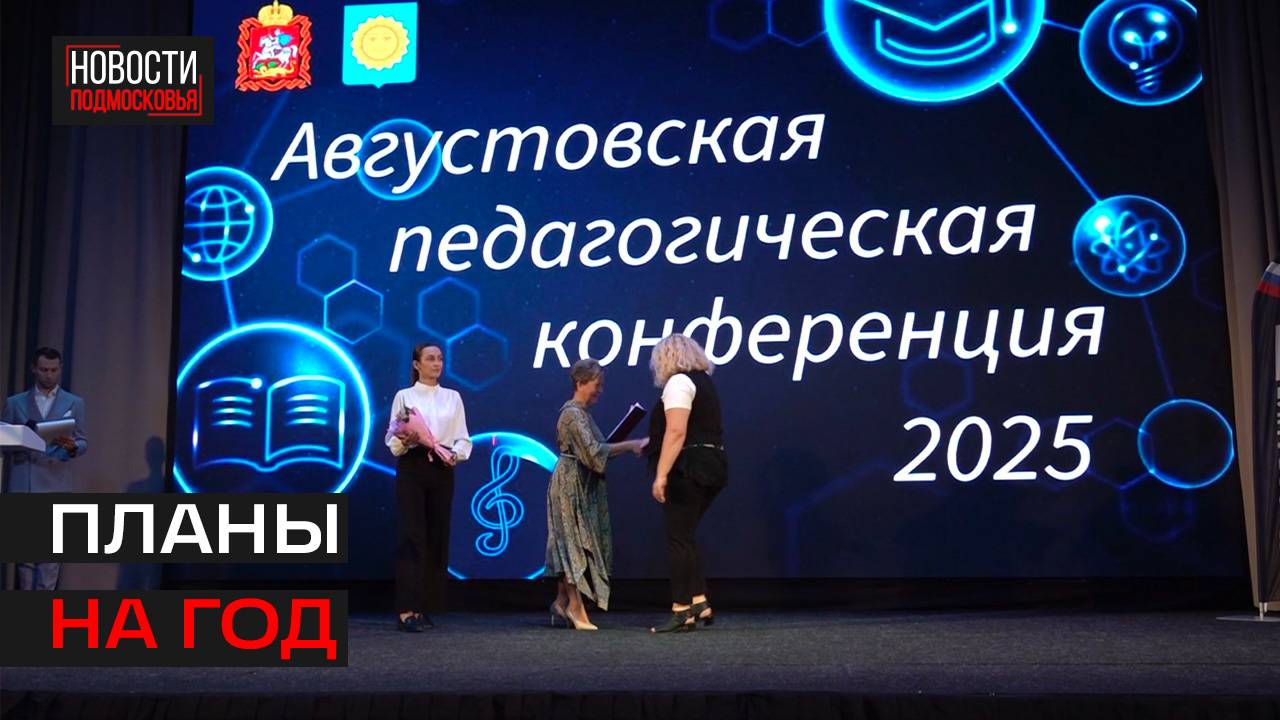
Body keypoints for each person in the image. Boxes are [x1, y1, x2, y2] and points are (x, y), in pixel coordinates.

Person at [544, 358, 647, 630]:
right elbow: (593, 452)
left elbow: (597, 450)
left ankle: (561, 602)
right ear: (580, 383)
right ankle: (575, 607)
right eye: (596, 385)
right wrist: (631, 444)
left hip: (581, 482)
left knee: (572, 540)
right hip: (569, 485)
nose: (599, 391)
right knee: (572, 543)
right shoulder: (572, 414)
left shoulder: (582, 413)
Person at [385, 343, 472, 632]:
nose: (437, 363)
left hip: (442, 467)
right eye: (430, 359)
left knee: (437, 536)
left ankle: (423, 605)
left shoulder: (453, 397)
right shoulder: (405, 396)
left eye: (440, 359)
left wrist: (456, 454)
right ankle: (405, 609)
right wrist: (405, 441)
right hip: (413, 465)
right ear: (416, 365)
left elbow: (463, 437)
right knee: (412, 536)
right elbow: (392, 439)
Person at [645, 334, 728, 633]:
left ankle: (681, 610)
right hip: (713, 465)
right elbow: (695, 429)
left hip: (689, 469)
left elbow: (677, 432)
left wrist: (661, 475)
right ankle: (698, 600)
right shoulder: (705, 382)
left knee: (678, 538)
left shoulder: (679, 382)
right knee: (686, 534)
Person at [2, 347, 88, 590]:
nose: (49, 375)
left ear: (60, 369)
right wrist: (20, 438)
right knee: (25, 558)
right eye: (43, 370)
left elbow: (83, 441)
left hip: (54, 483)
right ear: (34, 369)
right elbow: (3, 440)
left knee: (50, 559)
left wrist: (73, 446)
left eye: (53, 370)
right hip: (24, 484)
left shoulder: (74, 403)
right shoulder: (15, 403)